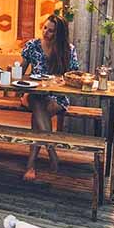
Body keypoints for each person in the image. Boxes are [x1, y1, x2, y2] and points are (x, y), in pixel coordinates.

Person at [19, 13, 80, 180]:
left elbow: (73, 75)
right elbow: (20, 71)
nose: (45, 32)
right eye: (44, 28)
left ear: (59, 33)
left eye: (51, 30)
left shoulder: (68, 49)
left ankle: (31, 166)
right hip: (32, 93)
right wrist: (13, 71)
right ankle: (51, 150)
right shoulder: (32, 45)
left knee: (39, 115)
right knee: (38, 102)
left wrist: (56, 82)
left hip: (57, 96)